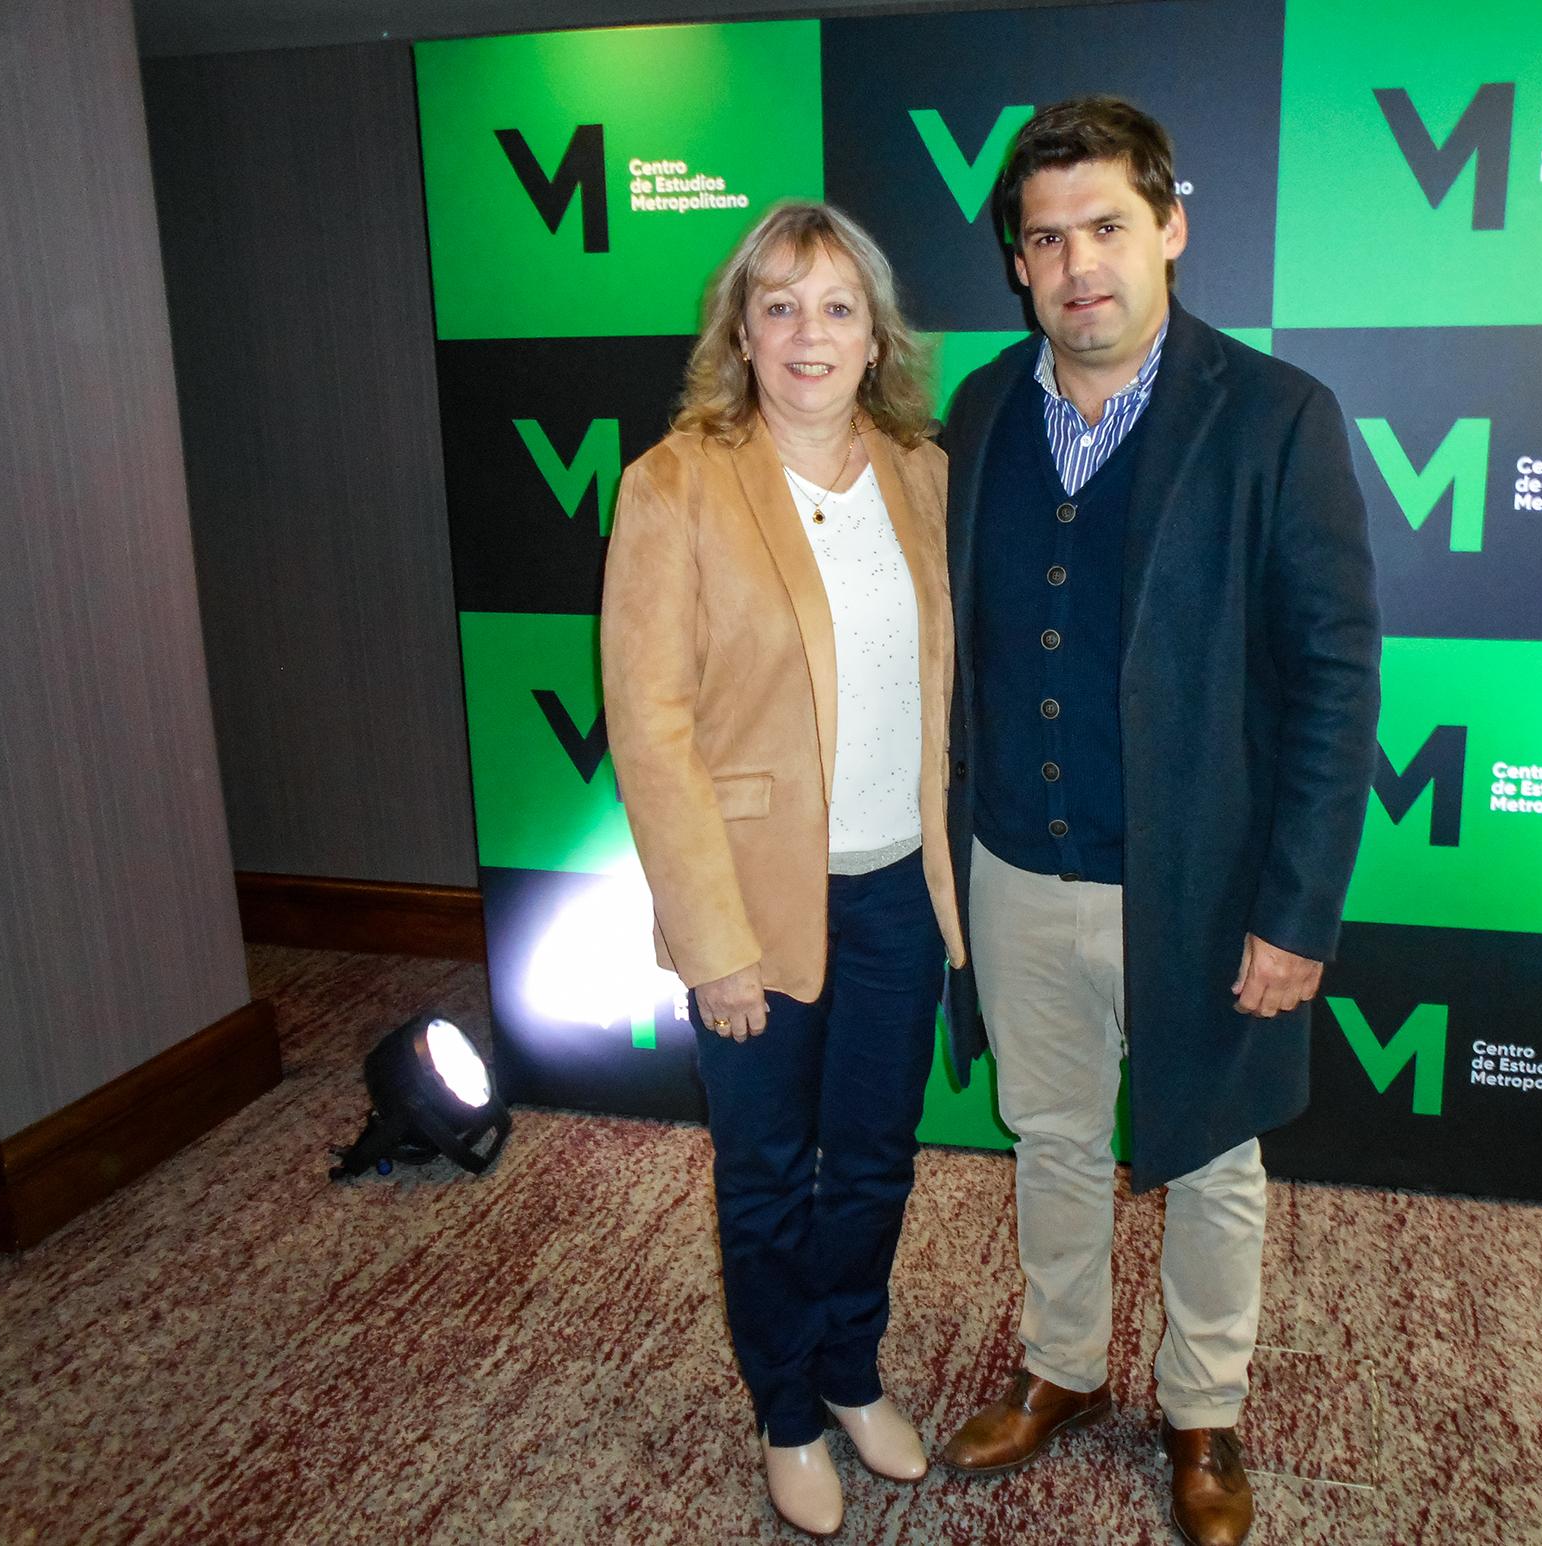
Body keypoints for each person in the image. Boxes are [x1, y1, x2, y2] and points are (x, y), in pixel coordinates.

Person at [936, 98, 1382, 1546]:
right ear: (1017, 261)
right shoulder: (984, 412)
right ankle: (1063, 1361)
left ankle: (1202, 1408)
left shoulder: (1274, 417)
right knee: (1051, 1134)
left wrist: (1295, 907)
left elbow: (1331, 677)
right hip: (1015, 860)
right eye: (1046, 237)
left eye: (1108, 227)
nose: (1079, 266)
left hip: (1194, 887)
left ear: (1171, 228)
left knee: (1209, 1151)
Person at [599, 201, 964, 1538]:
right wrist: (712, 939)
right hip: (753, 905)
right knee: (765, 1173)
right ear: (739, 332)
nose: (808, 333)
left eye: (836, 306)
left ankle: (854, 1369)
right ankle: (788, 1409)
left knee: (872, 1160)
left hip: (893, 895)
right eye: (779, 305)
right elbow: (651, 724)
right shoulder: (674, 481)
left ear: (874, 338)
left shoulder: (919, 472)